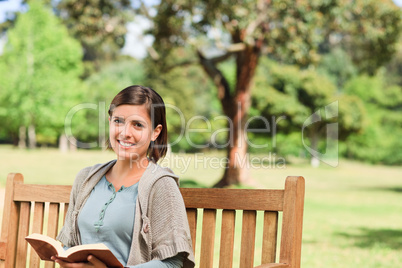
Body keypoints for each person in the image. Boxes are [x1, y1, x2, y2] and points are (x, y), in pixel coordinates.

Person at [54, 85, 195, 268]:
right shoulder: (86, 179)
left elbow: (174, 263)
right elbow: (69, 244)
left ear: (155, 132)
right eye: (118, 121)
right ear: (109, 121)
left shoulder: (161, 185)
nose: (124, 132)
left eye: (137, 125)